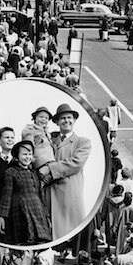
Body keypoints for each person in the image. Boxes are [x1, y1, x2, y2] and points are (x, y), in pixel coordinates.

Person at [38, 103, 91, 240]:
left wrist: (50, 169)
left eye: (69, 118)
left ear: (74, 120)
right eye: (63, 118)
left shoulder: (82, 142)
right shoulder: (49, 139)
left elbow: (75, 163)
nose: (66, 121)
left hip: (69, 193)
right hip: (49, 192)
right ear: (57, 122)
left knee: (69, 231)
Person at [0, 140, 52, 244]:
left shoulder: (35, 174)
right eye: (24, 154)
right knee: (24, 240)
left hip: (38, 210)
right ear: (17, 156)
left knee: (41, 241)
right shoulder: (11, 172)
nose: (27, 157)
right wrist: (1, 216)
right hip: (21, 211)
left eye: (30, 154)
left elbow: (41, 196)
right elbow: (6, 196)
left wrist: (46, 215)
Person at [0, 127, 15, 209]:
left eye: (12, 137)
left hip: (16, 204)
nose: (10, 140)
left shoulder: (18, 161)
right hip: (0, 203)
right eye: (7, 137)